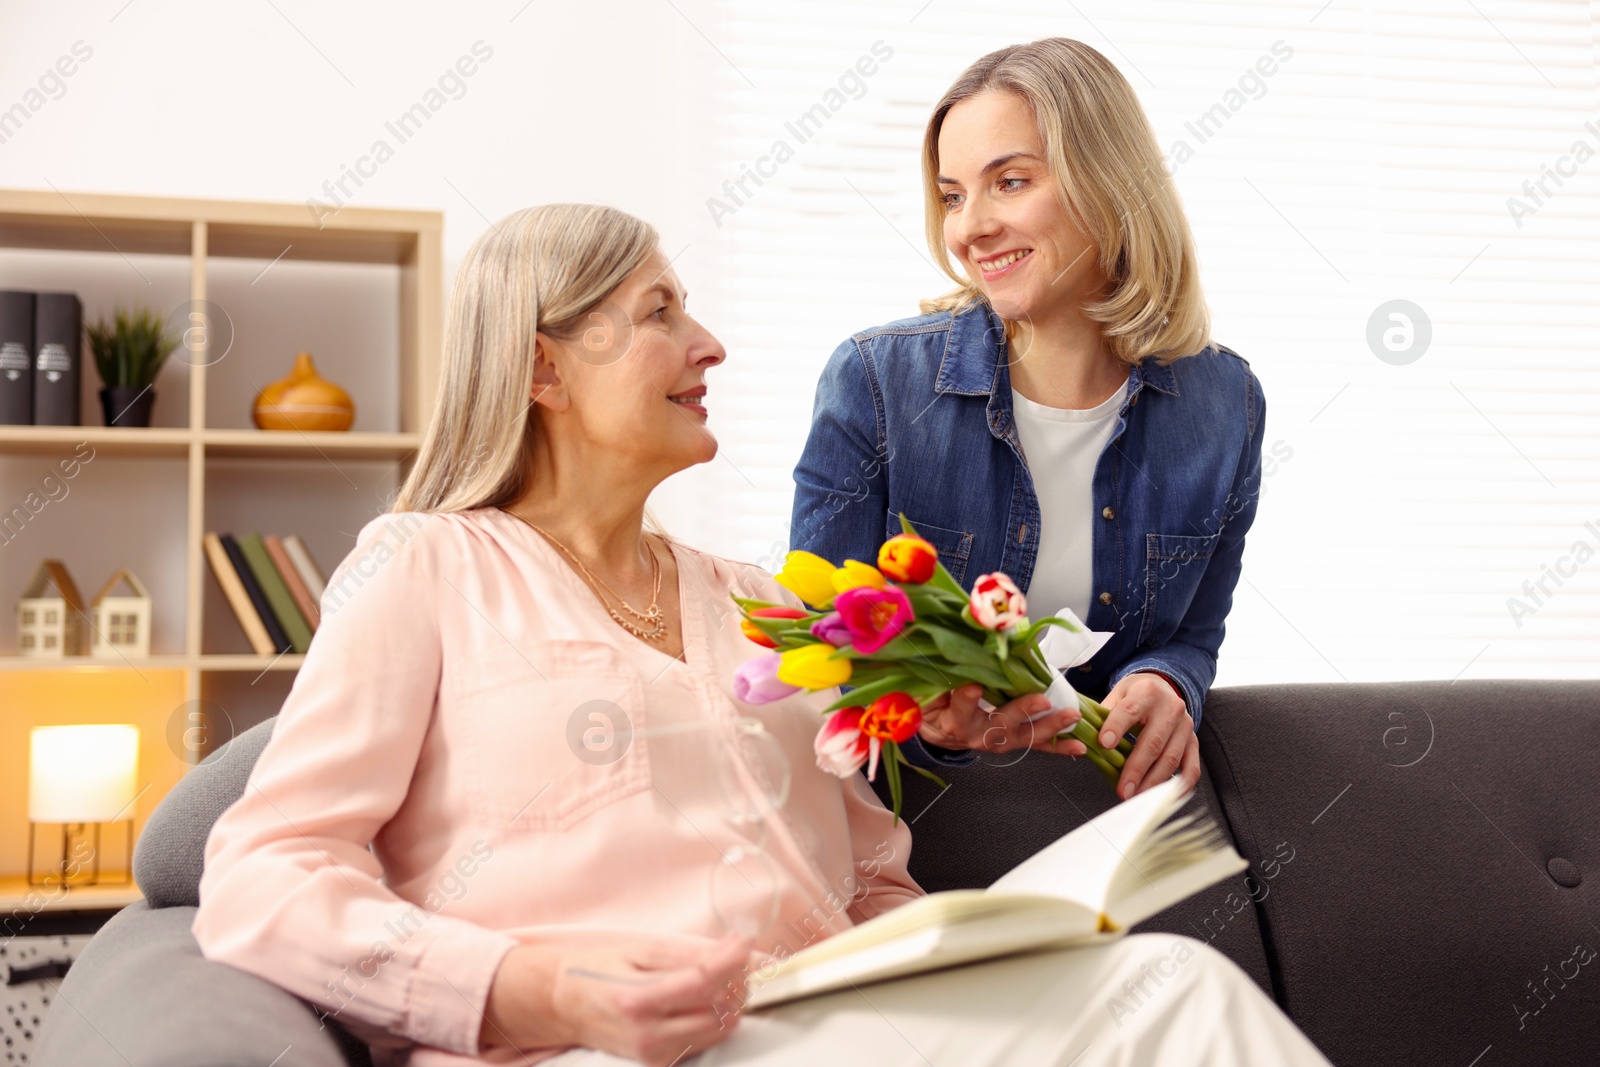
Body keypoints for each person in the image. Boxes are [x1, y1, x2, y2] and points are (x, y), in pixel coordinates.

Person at [192, 203, 1327, 1067]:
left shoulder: (765, 610)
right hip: (594, 1048)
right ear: (542, 365)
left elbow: (871, 879)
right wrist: (533, 983)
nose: (710, 343)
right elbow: (263, 874)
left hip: (828, 1023)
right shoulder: (425, 566)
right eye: (658, 312)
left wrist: (977, 948)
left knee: (1172, 984)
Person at [791, 38, 1264, 800]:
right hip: (927, 820)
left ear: (1109, 185)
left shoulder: (1224, 404)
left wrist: (1168, 680)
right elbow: (826, 652)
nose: (968, 228)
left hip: (1108, 814)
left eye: (1008, 182)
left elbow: (1191, 635)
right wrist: (927, 719)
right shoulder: (876, 383)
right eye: (951, 195)